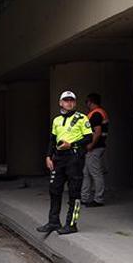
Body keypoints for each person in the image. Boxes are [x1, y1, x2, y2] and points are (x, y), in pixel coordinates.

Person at [37, 91, 93, 235]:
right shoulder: (56, 120)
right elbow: (52, 140)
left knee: (74, 192)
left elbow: (89, 137)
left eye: (72, 100)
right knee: (54, 189)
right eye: (66, 100)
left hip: (74, 158)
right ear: (61, 103)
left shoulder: (81, 118)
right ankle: (53, 222)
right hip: (58, 158)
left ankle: (71, 224)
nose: (69, 103)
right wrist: (48, 156)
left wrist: (72, 144)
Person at [82, 93, 108, 207]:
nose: (86, 104)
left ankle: (98, 199)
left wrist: (90, 145)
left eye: (86, 102)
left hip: (95, 148)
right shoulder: (98, 113)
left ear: (90, 102)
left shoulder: (96, 114)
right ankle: (85, 197)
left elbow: (97, 132)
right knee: (86, 173)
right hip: (94, 147)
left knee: (95, 173)